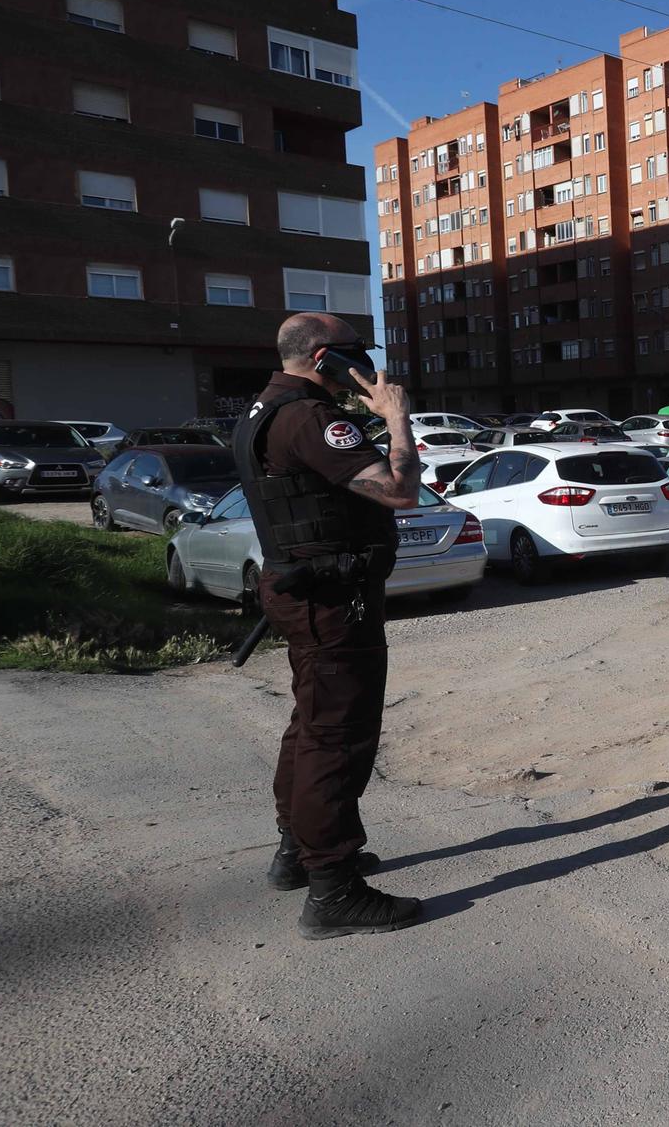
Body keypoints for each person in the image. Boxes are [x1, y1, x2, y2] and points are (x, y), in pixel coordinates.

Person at [233, 313, 427, 939]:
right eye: (356, 356)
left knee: (311, 725)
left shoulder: (263, 409)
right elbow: (399, 492)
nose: (369, 367)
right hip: (333, 600)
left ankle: (297, 853)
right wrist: (396, 417)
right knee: (336, 740)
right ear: (324, 360)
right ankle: (334, 889)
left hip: (305, 592)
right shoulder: (313, 419)